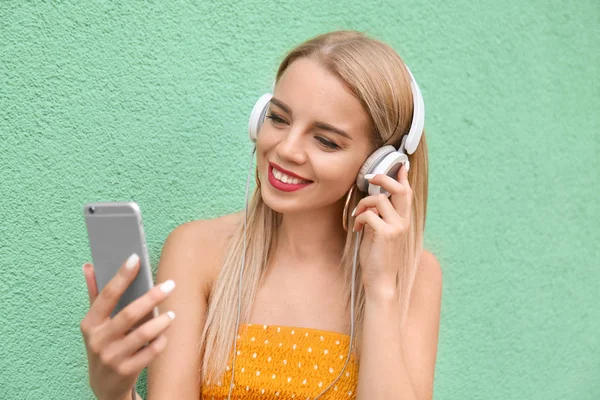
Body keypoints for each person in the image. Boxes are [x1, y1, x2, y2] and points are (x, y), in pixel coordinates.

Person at [80, 30, 442, 400]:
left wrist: (380, 288)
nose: (286, 149)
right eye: (279, 119)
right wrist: (115, 393)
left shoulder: (414, 275)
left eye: (325, 140)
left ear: (378, 166)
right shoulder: (197, 251)